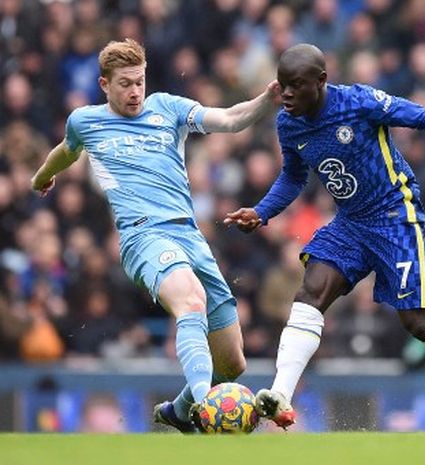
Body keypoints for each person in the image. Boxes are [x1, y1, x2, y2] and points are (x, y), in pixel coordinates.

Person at [225, 43, 425, 432]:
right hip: (351, 223)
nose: (285, 94)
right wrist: (261, 211)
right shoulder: (288, 123)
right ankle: (280, 395)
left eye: (295, 86)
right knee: (310, 292)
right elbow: (293, 176)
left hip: (394, 217)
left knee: (418, 323)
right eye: (282, 85)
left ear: (321, 82)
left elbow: (424, 116)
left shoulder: (358, 102)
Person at [30, 39, 280, 433]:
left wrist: (268, 99)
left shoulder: (168, 108)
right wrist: (42, 176)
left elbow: (230, 119)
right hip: (143, 237)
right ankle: (206, 408)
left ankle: (180, 411)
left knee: (232, 363)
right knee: (191, 303)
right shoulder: (85, 121)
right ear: (104, 84)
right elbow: (66, 150)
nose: (135, 92)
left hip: (190, 237)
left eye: (140, 82)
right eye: (125, 84)